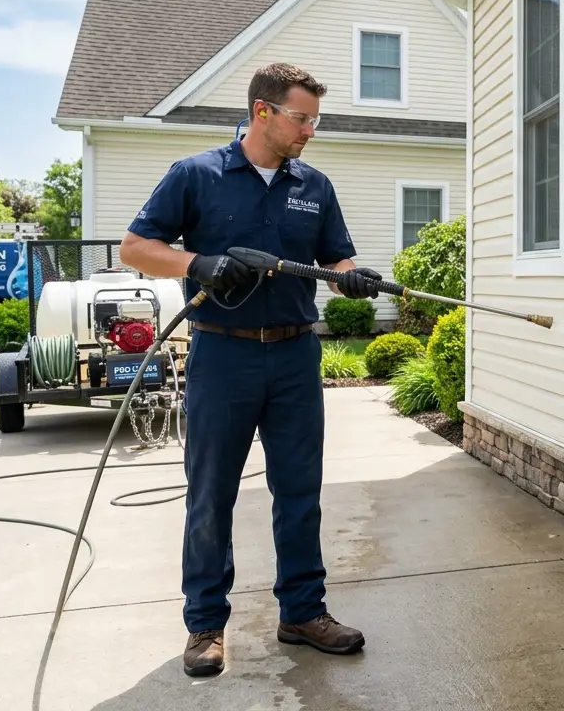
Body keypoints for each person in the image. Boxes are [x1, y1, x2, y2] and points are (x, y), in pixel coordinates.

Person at [120, 62, 381, 678]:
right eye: (301, 118)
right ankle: (205, 624)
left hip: (294, 356)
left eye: (315, 119)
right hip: (223, 354)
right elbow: (136, 247)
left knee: (300, 492)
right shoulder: (196, 175)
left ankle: (303, 612)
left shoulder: (313, 185)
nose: (310, 131)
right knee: (211, 494)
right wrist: (198, 262)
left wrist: (351, 276)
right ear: (263, 111)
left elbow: (335, 255)